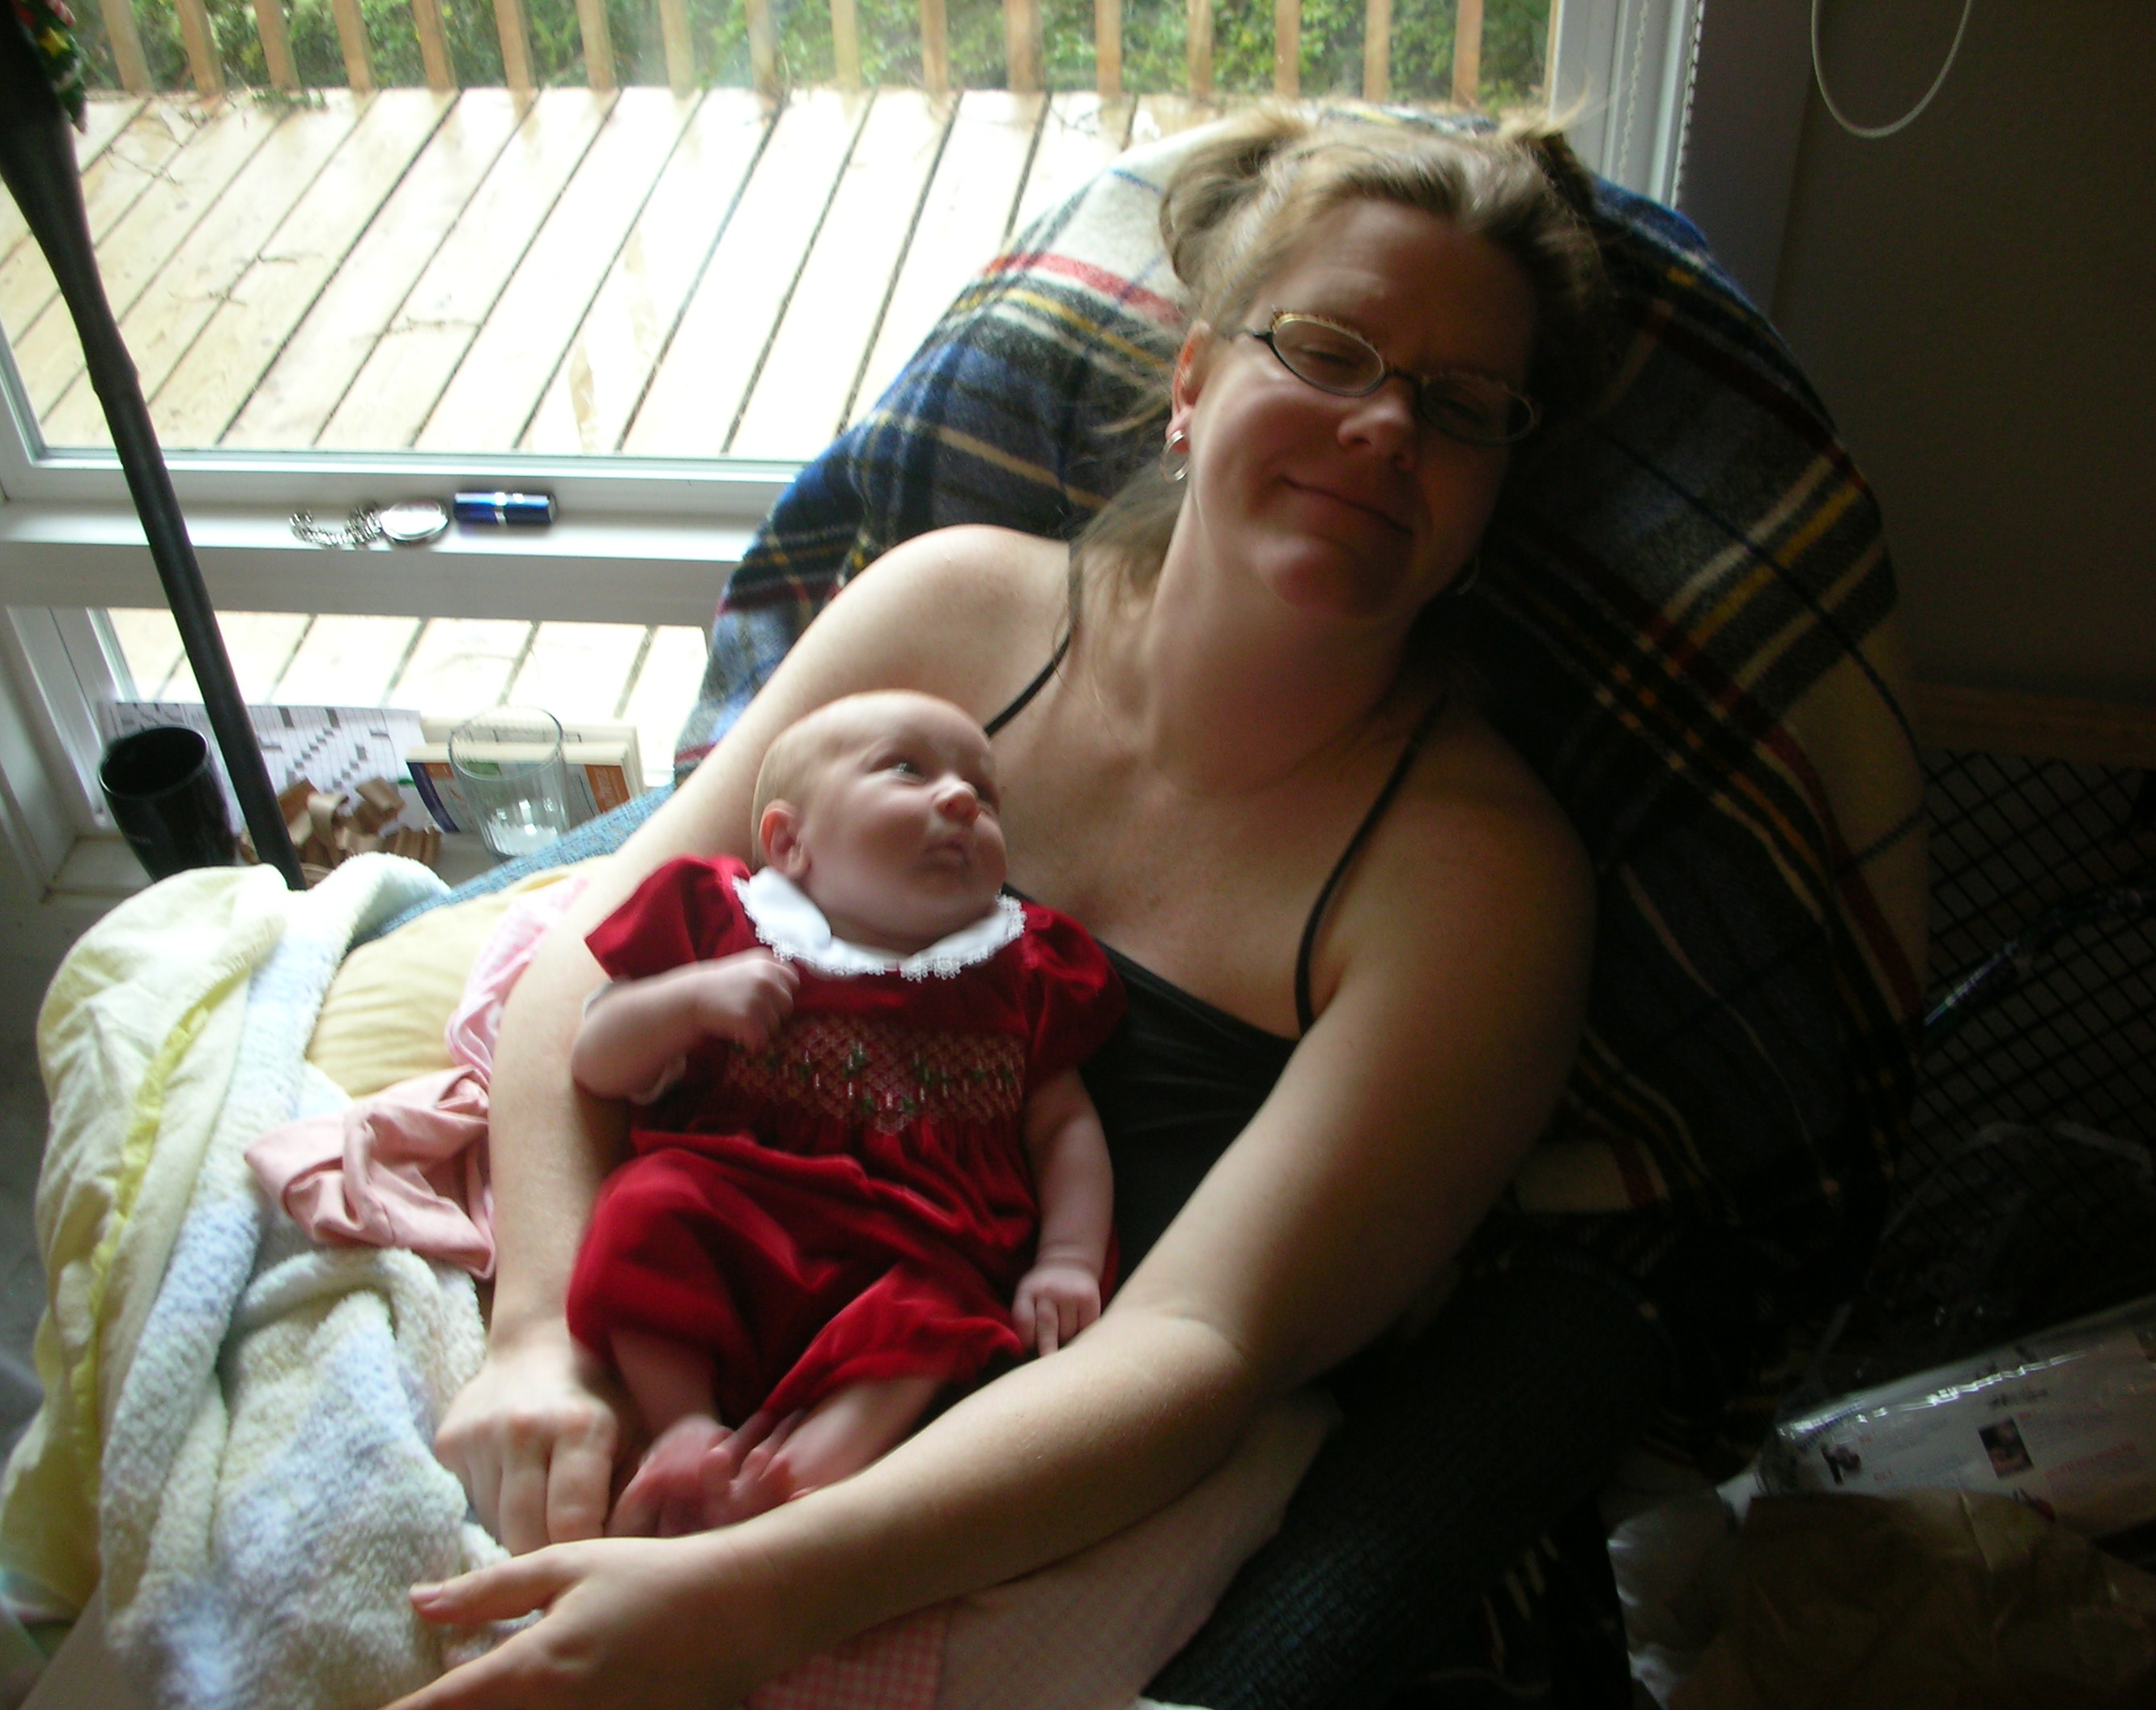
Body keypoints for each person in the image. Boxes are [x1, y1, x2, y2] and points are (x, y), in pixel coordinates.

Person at [391, 107, 1665, 1710]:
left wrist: (741, 1600)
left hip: (950, 1498)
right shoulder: (954, 608)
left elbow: (1198, 1346)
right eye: (1328, 350)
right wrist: (542, 1343)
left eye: (1463, 407)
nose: (1387, 428)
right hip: (638, 1293)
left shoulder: (1477, 884)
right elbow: (598, 961)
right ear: (1192, 385)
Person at [565, 690, 1125, 1538]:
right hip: (736, 1212)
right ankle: (682, 1428)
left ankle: (798, 1479)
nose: (962, 800)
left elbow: (1064, 1128)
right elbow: (596, 1062)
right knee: (643, 1207)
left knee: (936, 1319)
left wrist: (1069, 1259)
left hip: (921, 1243)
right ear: (789, 843)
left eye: (984, 794)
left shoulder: (1022, 966)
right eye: (906, 769)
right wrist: (688, 1002)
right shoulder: (731, 928)